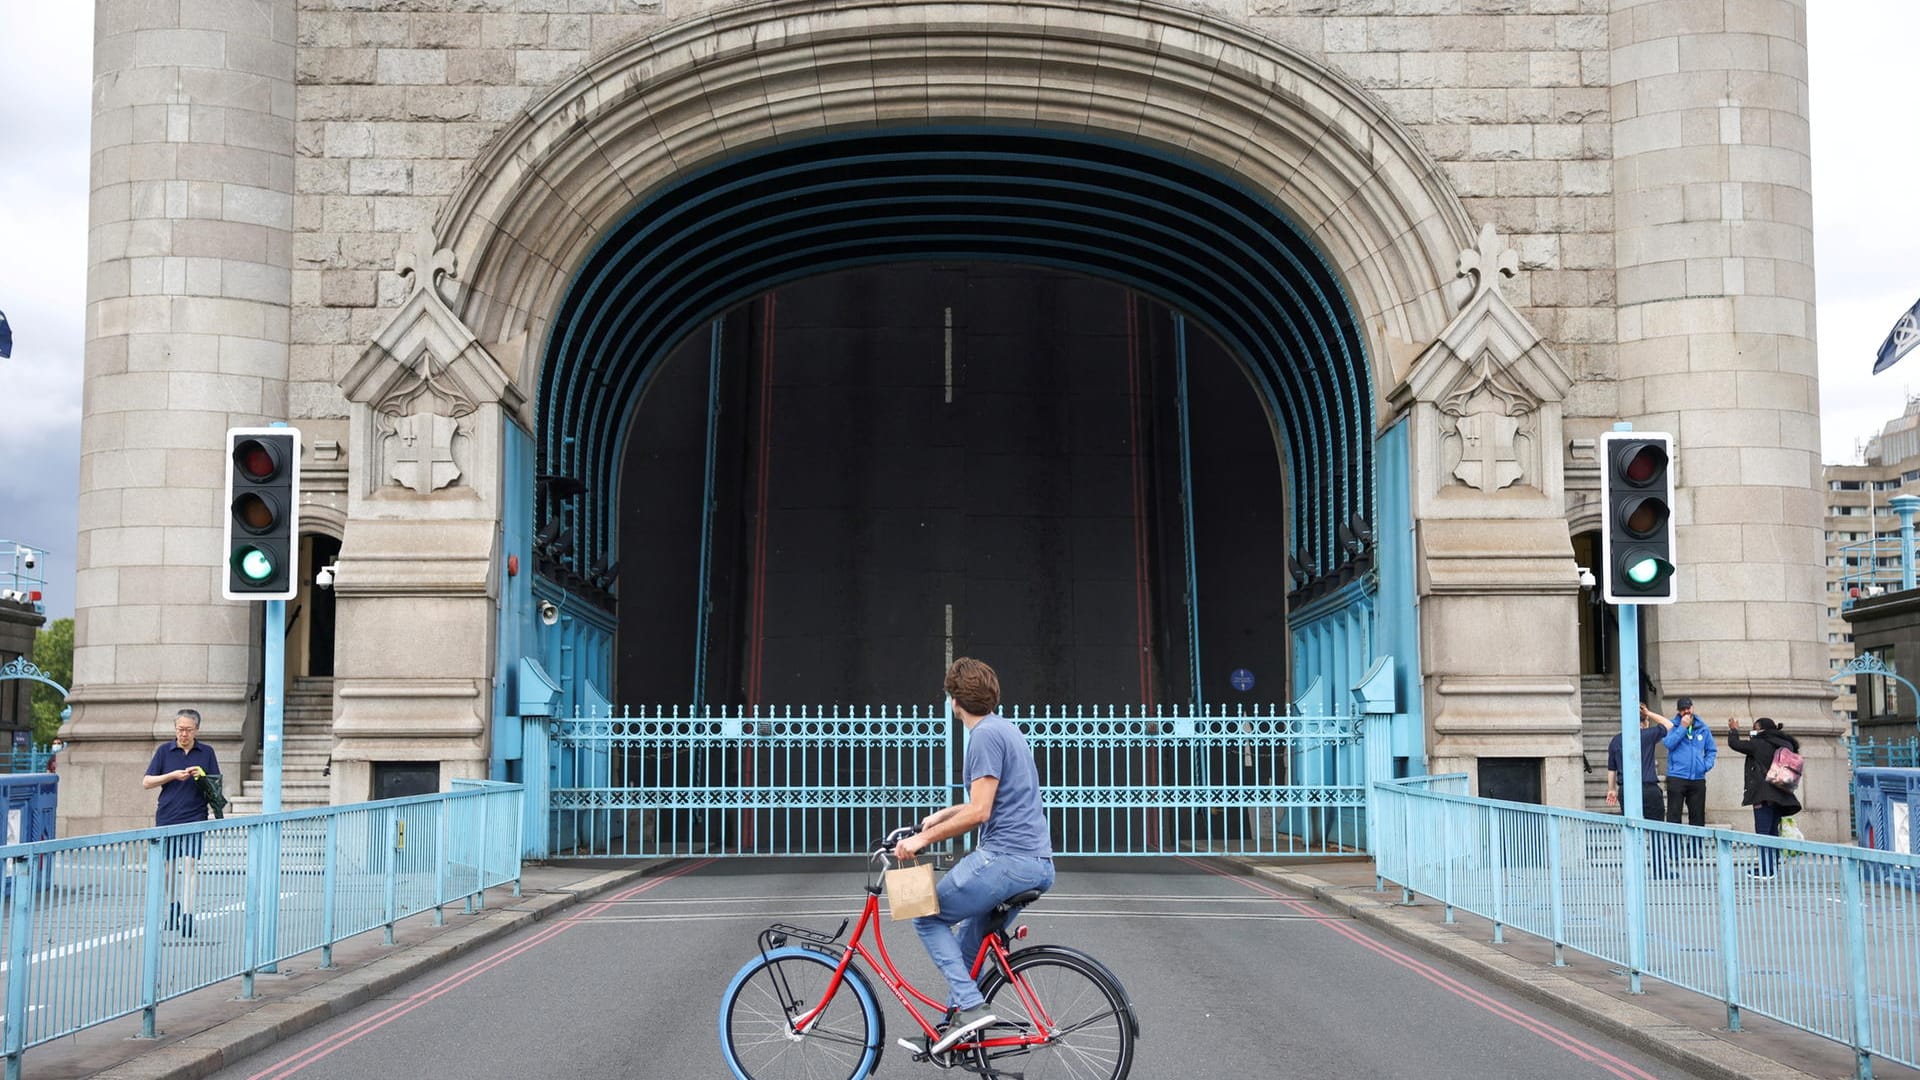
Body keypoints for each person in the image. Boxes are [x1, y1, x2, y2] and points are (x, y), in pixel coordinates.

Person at [895, 658, 1055, 1055]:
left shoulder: (981, 736)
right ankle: (954, 1031)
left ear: (954, 701)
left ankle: (970, 1007)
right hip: (1035, 862)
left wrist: (920, 840)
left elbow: (981, 812)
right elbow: (987, 800)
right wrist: (940, 815)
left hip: (1005, 858)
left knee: (927, 916)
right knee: (969, 937)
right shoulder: (1006, 730)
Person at [142, 709, 221, 936]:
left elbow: (216, 784)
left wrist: (201, 775)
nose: (183, 734)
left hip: (195, 814)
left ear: (196, 729)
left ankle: (188, 913)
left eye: (187, 729)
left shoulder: (206, 752)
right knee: (167, 868)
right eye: (179, 729)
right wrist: (172, 775)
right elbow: (147, 782)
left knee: (190, 864)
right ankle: (173, 905)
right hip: (168, 815)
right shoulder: (164, 751)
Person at [1726, 716, 1801, 879]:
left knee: (1763, 833)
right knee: (1773, 832)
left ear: (1761, 729)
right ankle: (1772, 866)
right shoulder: (1786, 744)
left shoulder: (1759, 744)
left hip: (1763, 794)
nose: (1753, 731)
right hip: (1781, 794)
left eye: (1755, 728)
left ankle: (1766, 870)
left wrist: (1733, 729)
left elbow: (1735, 744)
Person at [1609, 706, 1674, 876]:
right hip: (1649, 788)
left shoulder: (1616, 741)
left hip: (1626, 790)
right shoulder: (1647, 735)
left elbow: (1611, 769)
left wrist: (1612, 789)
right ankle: (1660, 870)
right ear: (1644, 723)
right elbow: (1669, 724)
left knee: (1631, 830)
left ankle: (1633, 869)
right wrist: (1649, 713)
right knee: (1656, 829)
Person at [1660, 697, 1717, 846]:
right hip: (1677, 777)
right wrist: (1682, 728)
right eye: (1683, 709)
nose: (1686, 711)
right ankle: (1673, 850)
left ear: (1692, 708)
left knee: (1697, 815)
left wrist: (1705, 765)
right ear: (1678, 711)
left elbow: (1711, 750)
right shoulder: (1672, 725)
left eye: (1688, 708)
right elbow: (1668, 743)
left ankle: (1695, 849)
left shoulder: (1703, 728)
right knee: (1674, 815)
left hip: (1697, 778)